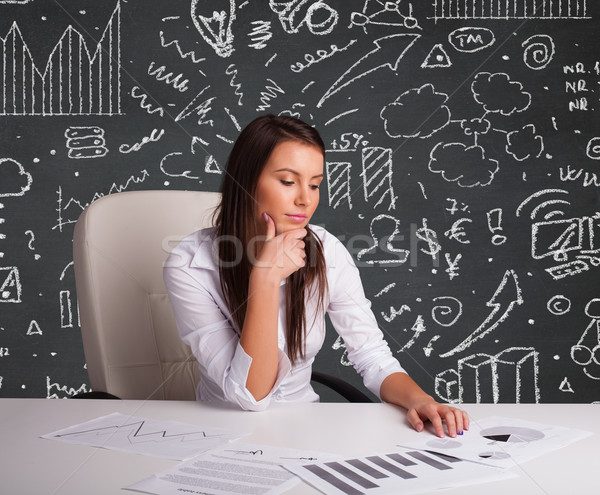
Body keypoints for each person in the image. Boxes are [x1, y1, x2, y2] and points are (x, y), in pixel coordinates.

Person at [164, 114, 468, 438]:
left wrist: (420, 400)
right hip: (220, 432)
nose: (305, 200)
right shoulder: (190, 264)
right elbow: (250, 396)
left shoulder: (329, 251)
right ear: (245, 181)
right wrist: (265, 279)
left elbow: (371, 354)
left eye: (314, 184)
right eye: (287, 181)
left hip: (305, 432)